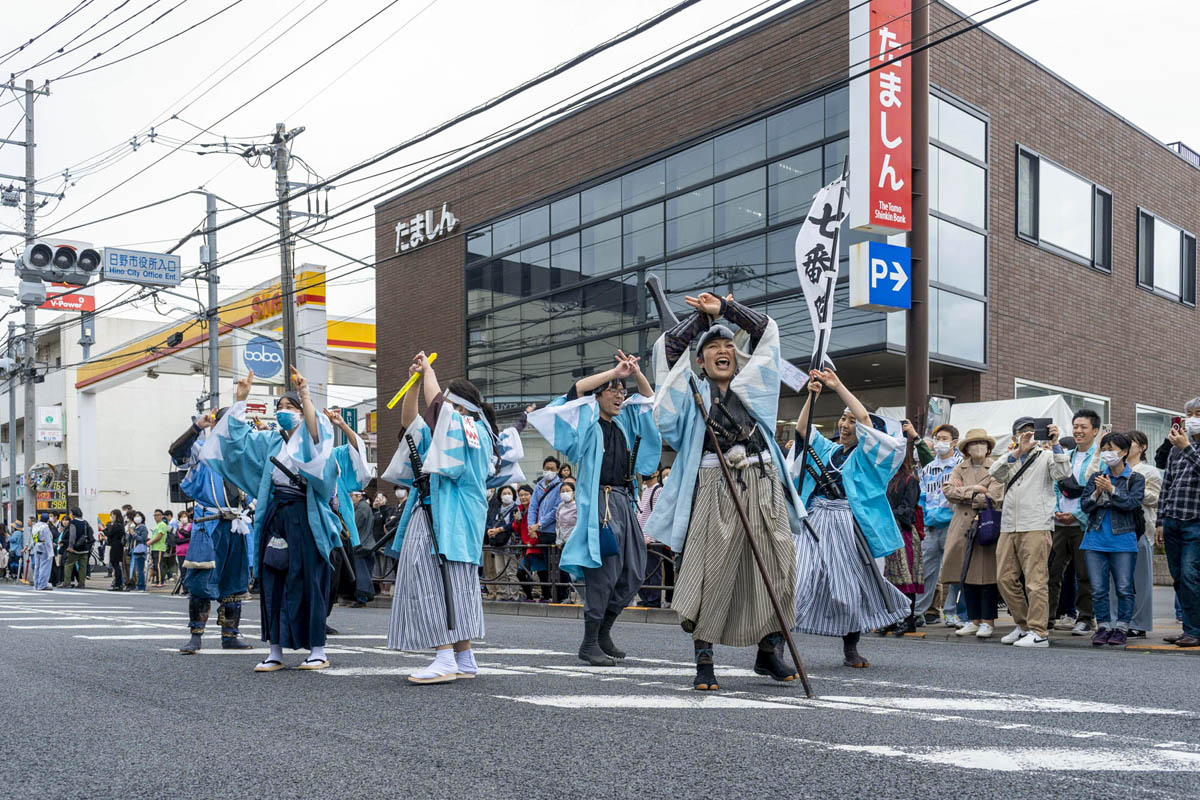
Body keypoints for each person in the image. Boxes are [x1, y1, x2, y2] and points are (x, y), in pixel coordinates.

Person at [642, 292, 806, 689]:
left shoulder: (756, 385)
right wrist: (701, 321)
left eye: (728, 345)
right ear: (700, 361)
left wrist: (727, 311)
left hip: (763, 485)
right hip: (714, 487)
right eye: (712, 347)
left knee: (778, 568)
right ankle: (704, 660)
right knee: (709, 573)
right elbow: (667, 349)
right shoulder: (689, 392)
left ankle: (769, 651)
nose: (722, 351)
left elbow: (768, 333)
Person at [199, 367, 345, 671]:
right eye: (279, 407)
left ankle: (317, 649)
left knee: (309, 582)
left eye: (289, 407)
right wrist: (241, 399)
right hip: (276, 516)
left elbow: (318, 437)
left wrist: (305, 395)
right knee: (273, 580)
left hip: (307, 518)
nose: (282, 411)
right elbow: (236, 442)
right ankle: (275, 650)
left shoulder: (312, 439)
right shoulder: (269, 441)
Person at [530, 348, 661, 668]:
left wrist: (635, 373)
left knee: (633, 570)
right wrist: (613, 373)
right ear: (598, 396)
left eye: (621, 391)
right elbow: (575, 391)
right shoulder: (586, 423)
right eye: (613, 390)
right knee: (605, 572)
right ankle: (590, 642)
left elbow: (647, 399)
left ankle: (603, 632)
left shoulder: (623, 425)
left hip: (624, 502)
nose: (619, 395)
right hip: (599, 503)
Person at [381, 351, 502, 684]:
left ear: (461, 406)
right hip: (448, 517)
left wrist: (430, 371)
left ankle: (445, 655)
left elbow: (437, 409)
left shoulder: (471, 428)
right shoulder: (459, 430)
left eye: (449, 403)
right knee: (454, 584)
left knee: (432, 580)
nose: (443, 408)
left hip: (444, 517)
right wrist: (414, 383)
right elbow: (412, 424)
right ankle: (463, 657)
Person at [790, 369, 907, 669]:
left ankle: (850, 647)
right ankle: (777, 644)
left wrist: (837, 385)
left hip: (846, 522)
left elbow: (867, 421)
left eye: (850, 421)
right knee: (797, 579)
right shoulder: (827, 449)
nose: (845, 425)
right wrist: (812, 396)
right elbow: (803, 430)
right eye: (843, 419)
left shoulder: (868, 457)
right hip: (814, 518)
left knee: (849, 587)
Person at [171, 409, 254, 653]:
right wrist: (197, 427)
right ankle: (196, 635)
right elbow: (176, 452)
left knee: (235, 580)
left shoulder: (245, 454)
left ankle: (230, 635)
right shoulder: (203, 450)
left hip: (237, 523)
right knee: (200, 578)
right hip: (208, 522)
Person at [989, 417, 1071, 648]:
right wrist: (1015, 452)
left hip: (1036, 524)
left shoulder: (1046, 456)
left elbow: (1063, 473)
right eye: (1022, 432)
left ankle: (1039, 632)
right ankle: (1024, 625)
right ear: (1014, 436)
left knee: (1036, 581)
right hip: (1008, 525)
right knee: (1004, 578)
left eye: (1032, 432)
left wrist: (1056, 444)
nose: (1027, 436)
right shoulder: (1009, 457)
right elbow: (995, 474)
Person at [1079, 432, 1146, 646]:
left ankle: (1122, 627)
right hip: (1095, 539)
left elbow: (1131, 504)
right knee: (1098, 589)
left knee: (1124, 588)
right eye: (1105, 449)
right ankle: (1103, 626)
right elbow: (1085, 506)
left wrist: (1112, 490)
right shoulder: (1095, 477)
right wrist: (1097, 493)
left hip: (1123, 540)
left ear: (1124, 452)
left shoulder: (1135, 478)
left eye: (1112, 448)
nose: (1107, 453)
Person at [942, 429, 1005, 638]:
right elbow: (948, 492)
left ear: (988, 448)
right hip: (962, 527)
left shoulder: (997, 467)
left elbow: (995, 495)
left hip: (986, 524)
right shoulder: (959, 468)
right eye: (973, 443)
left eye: (982, 443)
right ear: (966, 449)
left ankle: (988, 621)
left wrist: (967, 491)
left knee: (987, 576)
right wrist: (978, 489)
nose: (978, 446)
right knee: (966, 574)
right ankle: (972, 619)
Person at [1049, 410, 1101, 635]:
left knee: (1084, 574)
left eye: (1084, 427)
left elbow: (1095, 491)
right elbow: (1054, 485)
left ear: (1095, 431)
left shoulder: (1097, 457)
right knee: (1050, 571)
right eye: (1076, 426)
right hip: (1059, 523)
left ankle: (1086, 618)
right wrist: (1057, 510)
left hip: (1083, 524)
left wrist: (1077, 514)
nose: (1078, 431)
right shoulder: (1066, 455)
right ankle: (1047, 616)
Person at [1157, 399, 1200, 648]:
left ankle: (1194, 630)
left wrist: (1187, 448)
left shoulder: (1184, 447)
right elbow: (1167, 485)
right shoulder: (1176, 447)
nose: (1192, 418)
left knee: (1190, 575)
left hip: (1196, 522)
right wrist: (1161, 520)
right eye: (1189, 414)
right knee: (1178, 578)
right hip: (1173, 520)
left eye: (1198, 414)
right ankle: (1189, 629)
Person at [914, 424, 964, 626]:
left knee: (952, 572)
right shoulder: (927, 468)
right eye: (937, 438)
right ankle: (918, 612)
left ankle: (951, 612)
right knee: (926, 572)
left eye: (944, 438)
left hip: (953, 524)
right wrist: (925, 519)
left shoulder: (961, 466)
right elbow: (922, 496)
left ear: (954, 442)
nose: (939, 442)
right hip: (930, 526)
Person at [881, 429, 924, 636]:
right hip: (890, 530)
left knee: (906, 577)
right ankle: (893, 618)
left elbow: (909, 507)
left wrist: (889, 514)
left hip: (904, 531)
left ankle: (907, 619)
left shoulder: (910, 479)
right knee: (891, 577)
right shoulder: (889, 478)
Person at [1118, 431, 1161, 637]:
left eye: (1131, 443)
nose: (1126, 447)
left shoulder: (1149, 471)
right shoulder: (1115, 468)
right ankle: (1121, 620)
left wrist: (1135, 488)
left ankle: (1140, 623)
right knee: (1119, 580)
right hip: (1116, 528)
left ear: (1143, 447)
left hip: (1141, 529)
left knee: (1141, 579)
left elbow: (1156, 499)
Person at [528, 457, 564, 601]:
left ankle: (560, 595)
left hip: (553, 531)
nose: (549, 471)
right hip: (540, 532)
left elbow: (556, 510)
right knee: (544, 564)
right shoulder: (539, 486)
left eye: (552, 469)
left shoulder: (560, 486)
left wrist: (540, 524)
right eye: (546, 468)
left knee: (556, 565)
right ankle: (547, 593)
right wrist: (531, 526)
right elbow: (533, 507)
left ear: (557, 470)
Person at [483, 484, 521, 600]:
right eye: (504, 494)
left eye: (509, 493)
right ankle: (503, 594)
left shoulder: (516, 508)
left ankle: (514, 595)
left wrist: (499, 529)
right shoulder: (497, 509)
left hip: (511, 544)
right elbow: (490, 522)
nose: (507, 496)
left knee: (511, 572)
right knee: (500, 571)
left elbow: (515, 524)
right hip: (498, 544)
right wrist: (490, 530)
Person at [60, 509, 94, 590]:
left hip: (75, 549)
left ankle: (66, 582)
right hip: (85, 548)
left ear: (73, 514)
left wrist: (70, 546)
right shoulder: (85, 522)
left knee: (68, 565)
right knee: (83, 567)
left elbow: (72, 536)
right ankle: (81, 583)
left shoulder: (73, 522)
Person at [103, 510, 125, 591]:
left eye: (112, 515)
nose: (111, 516)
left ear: (115, 515)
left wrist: (103, 529)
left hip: (115, 547)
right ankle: (118, 583)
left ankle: (118, 584)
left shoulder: (116, 525)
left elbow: (109, 534)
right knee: (116, 565)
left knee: (115, 565)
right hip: (118, 546)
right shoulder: (120, 525)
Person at [30, 513, 54, 590]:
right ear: (47, 520)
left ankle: (36, 585)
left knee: (37, 567)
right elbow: (48, 541)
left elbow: (33, 539)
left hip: (37, 548)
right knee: (45, 568)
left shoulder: (35, 526)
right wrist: (50, 553)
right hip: (45, 550)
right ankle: (43, 585)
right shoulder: (45, 527)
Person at [148, 510, 169, 587]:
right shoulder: (156, 525)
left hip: (159, 548)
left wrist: (150, 542)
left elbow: (159, 536)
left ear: (161, 516)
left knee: (159, 565)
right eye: (155, 515)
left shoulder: (162, 525)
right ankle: (157, 581)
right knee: (155, 565)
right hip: (154, 548)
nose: (156, 517)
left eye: (158, 515)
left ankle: (160, 581)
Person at [130, 512, 149, 591]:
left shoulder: (143, 527)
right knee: (137, 570)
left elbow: (143, 539)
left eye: (138, 516)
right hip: (134, 550)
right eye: (135, 516)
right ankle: (139, 585)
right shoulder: (134, 527)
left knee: (140, 570)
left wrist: (133, 534)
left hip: (140, 550)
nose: (136, 518)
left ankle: (141, 586)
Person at [175, 510, 191, 590]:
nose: (183, 518)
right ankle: (185, 589)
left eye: (185, 516)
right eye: (181, 517)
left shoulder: (191, 526)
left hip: (189, 552)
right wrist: (186, 539)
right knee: (183, 571)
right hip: (180, 552)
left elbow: (189, 535)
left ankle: (190, 588)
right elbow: (176, 540)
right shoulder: (178, 528)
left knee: (189, 571)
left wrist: (182, 532)